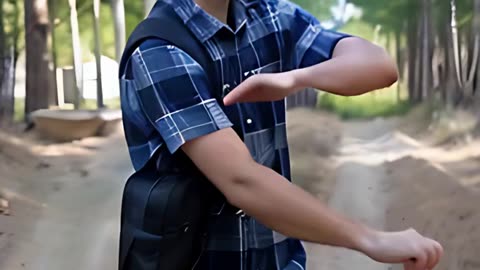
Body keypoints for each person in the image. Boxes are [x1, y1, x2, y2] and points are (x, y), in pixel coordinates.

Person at [119, 0, 444, 269]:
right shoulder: (159, 50)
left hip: (280, 261)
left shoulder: (268, 16)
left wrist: (297, 78)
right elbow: (241, 180)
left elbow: (379, 66)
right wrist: (368, 239)